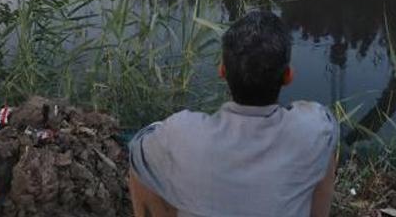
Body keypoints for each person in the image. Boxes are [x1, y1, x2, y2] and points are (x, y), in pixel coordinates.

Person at [128, 11, 337, 217]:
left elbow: (137, 152)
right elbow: (326, 129)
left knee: (144, 160)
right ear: (288, 76)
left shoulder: (182, 135)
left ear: (222, 71)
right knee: (324, 149)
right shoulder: (315, 128)